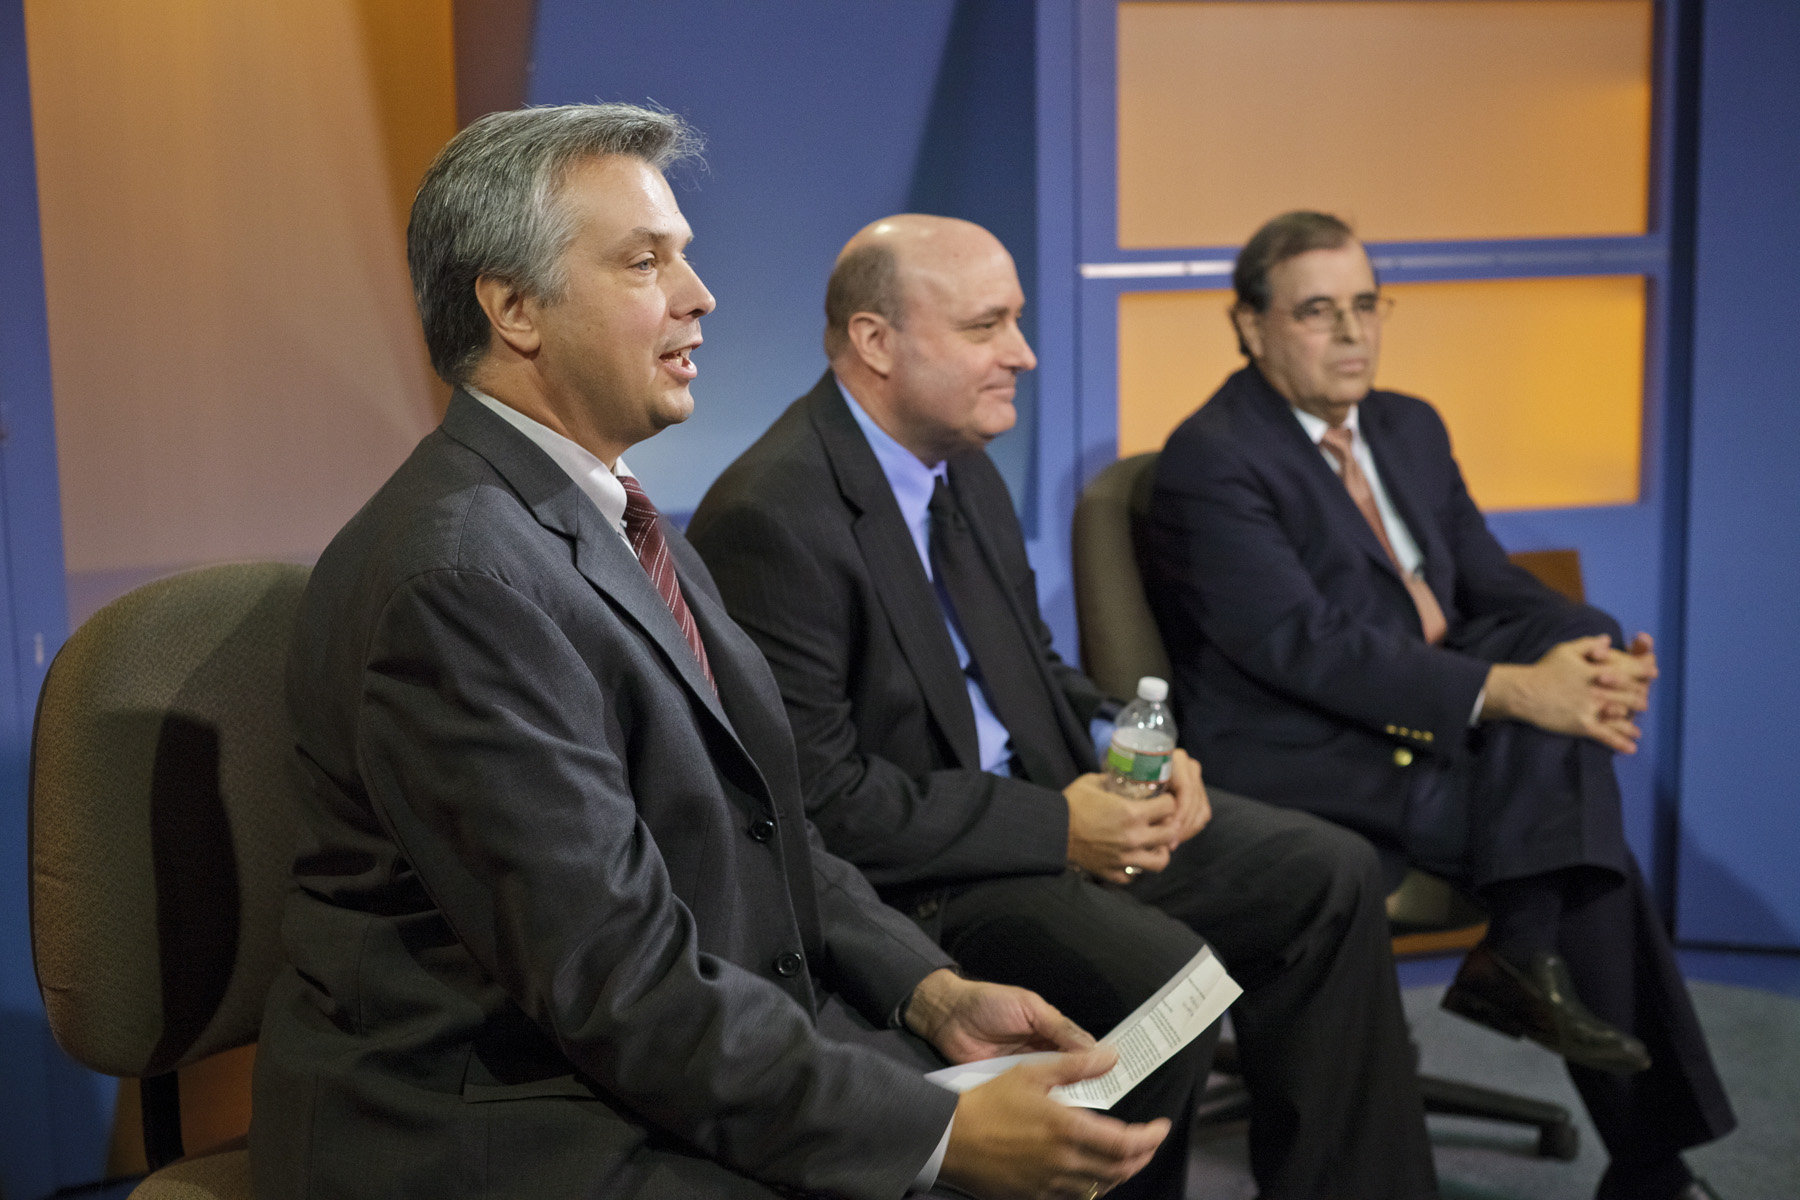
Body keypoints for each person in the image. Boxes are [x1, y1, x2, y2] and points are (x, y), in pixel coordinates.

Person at [250, 104, 1177, 1200]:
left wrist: (928, 990)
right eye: (647, 262)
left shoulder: (616, 509)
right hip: (499, 1124)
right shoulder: (462, 579)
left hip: (644, 1052)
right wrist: (931, 1133)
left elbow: (767, 831)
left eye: (684, 256)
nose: (701, 296)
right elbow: (615, 980)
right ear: (513, 310)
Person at [689, 213, 1438, 1200]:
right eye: (987, 327)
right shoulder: (771, 514)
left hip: (1047, 813)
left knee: (1327, 873)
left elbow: (1034, 669)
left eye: (1019, 322)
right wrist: (1061, 825)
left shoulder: (965, 465)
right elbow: (817, 799)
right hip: (923, 879)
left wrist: (1139, 743)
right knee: (1163, 979)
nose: (1023, 354)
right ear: (876, 342)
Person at [1142, 210, 1736, 1200]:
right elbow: (1306, 649)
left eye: (1368, 306)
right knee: (1590, 849)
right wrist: (1514, 692)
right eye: (1320, 311)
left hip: (1427, 717)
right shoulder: (1213, 456)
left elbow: (1489, 584)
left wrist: (1589, 655)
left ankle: (1531, 962)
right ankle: (1646, 1157)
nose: (1354, 334)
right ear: (1248, 325)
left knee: (1563, 678)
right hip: (1304, 745)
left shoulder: (1409, 424)